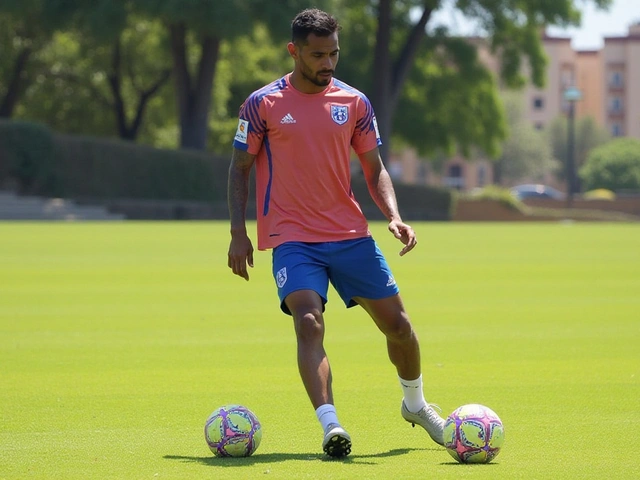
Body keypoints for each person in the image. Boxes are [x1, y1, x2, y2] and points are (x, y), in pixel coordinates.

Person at [227, 8, 444, 458]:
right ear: (294, 51)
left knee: (400, 328)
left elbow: (374, 168)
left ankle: (416, 405)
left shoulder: (355, 103)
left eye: (334, 54)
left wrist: (394, 214)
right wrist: (238, 233)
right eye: (318, 54)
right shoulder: (262, 103)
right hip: (292, 238)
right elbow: (240, 167)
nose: (328, 63)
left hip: (349, 235)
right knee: (308, 322)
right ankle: (331, 426)